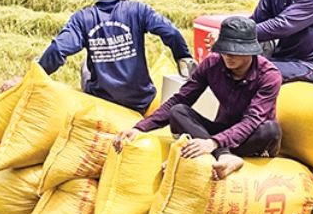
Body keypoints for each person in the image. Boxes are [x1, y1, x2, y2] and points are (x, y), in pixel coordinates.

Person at [0, 0, 194, 114]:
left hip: (103, 100)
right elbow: (170, 31)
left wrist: (30, 78)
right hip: (140, 101)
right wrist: (183, 57)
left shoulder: (83, 18)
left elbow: (58, 49)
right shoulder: (138, 10)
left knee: (86, 63)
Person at [115, 16, 282, 180]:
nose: (228, 56)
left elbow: (252, 120)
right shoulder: (212, 64)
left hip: (250, 136)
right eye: (225, 50)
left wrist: (213, 143)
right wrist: (140, 128)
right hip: (221, 129)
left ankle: (214, 154)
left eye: (235, 52)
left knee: (270, 130)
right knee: (178, 111)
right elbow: (181, 99)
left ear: (250, 52)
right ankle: (224, 157)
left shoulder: (269, 76)